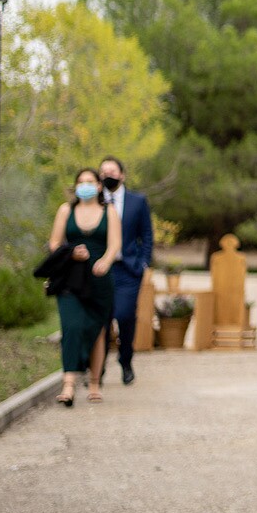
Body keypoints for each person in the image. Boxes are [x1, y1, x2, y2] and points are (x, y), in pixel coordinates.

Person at [47, 168, 121, 406]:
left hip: (99, 281)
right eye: (81, 182)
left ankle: (94, 382)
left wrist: (105, 262)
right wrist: (71, 254)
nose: (85, 185)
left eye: (90, 181)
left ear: (99, 186)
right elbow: (55, 244)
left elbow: (114, 245)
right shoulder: (65, 210)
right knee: (71, 326)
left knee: (97, 330)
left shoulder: (109, 212)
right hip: (71, 279)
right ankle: (68, 384)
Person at [98, 156, 153, 386]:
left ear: (122, 175)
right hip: (101, 268)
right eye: (103, 172)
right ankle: (97, 368)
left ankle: (125, 359)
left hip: (128, 270)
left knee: (124, 315)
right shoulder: (95, 201)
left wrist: (143, 263)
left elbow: (147, 235)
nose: (107, 175)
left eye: (112, 171)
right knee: (101, 318)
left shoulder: (137, 201)